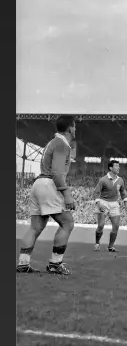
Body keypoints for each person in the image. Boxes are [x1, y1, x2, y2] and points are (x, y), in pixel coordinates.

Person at [17, 115, 77, 275]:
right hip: (50, 183)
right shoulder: (62, 144)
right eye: (75, 126)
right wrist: (66, 193)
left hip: (38, 183)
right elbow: (57, 173)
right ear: (70, 128)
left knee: (35, 227)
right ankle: (55, 264)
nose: (75, 129)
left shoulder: (52, 142)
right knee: (67, 223)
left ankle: (23, 264)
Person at [93, 160, 127, 252]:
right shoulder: (103, 179)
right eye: (116, 166)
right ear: (111, 168)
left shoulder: (120, 180)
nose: (118, 167)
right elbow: (96, 192)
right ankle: (97, 243)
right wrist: (98, 203)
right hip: (103, 202)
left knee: (116, 226)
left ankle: (110, 247)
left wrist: (125, 200)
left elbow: (122, 191)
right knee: (101, 225)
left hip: (114, 204)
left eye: (119, 166)